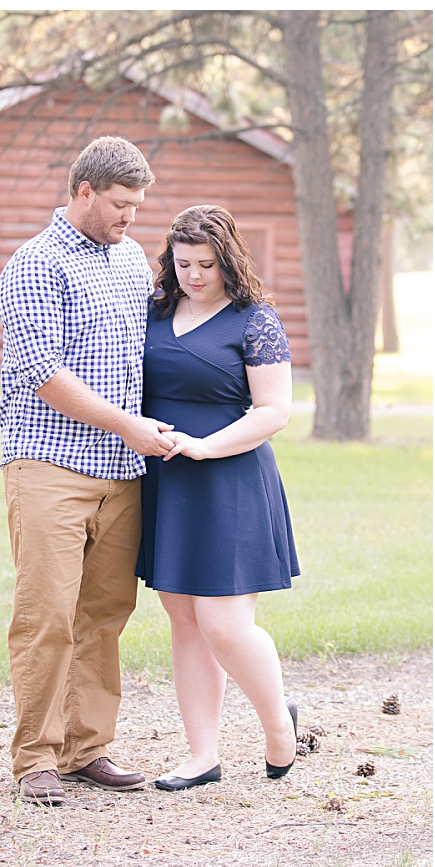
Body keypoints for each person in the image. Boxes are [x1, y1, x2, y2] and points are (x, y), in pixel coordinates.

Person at [0, 136, 174, 806]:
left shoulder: (130, 261)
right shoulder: (34, 265)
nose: (131, 217)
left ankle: (85, 747)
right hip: (49, 463)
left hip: (121, 472)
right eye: (121, 204)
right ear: (84, 191)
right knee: (47, 614)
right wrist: (128, 424)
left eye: (137, 205)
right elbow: (44, 373)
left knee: (104, 613)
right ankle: (35, 757)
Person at [136, 205, 300, 790]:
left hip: (229, 478)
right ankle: (202, 755)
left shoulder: (254, 320)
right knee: (184, 621)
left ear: (227, 260)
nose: (195, 275)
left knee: (225, 625)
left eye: (206, 264)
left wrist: (206, 447)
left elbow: (275, 411)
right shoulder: (154, 308)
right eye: (184, 263)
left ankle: (279, 724)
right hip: (168, 479)